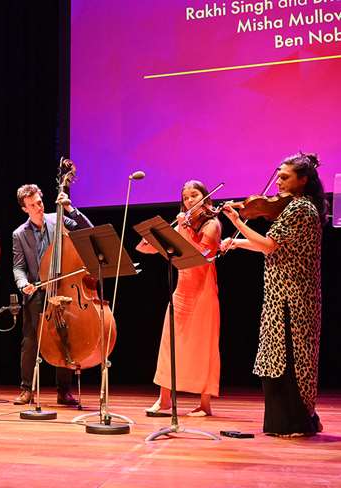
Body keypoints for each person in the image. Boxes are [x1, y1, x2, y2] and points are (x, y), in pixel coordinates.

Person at [220, 153, 325, 437]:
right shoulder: (296, 207)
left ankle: (295, 422)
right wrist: (238, 243)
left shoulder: (300, 208)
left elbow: (268, 245)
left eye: (285, 177)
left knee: (288, 358)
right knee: (276, 356)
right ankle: (286, 423)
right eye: (278, 176)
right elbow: (274, 247)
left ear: (303, 180)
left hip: (292, 296)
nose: (277, 182)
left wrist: (237, 222)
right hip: (283, 295)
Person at [136, 180, 221, 417]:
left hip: (203, 292)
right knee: (169, 344)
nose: (189, 200)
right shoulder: (184, 225)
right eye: (186, 197)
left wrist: (183, 229)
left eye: (194, 195)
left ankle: (205, 404)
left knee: (204, 346)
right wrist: (152, 237)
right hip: (182, 291)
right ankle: (164, 401)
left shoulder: (212, 225)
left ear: (205, 198)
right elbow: (144, 249)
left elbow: (201, 256)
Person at [12, 183, 93, 406]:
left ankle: (63, 391)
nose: (38, 207)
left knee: (65, 336)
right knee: (30, 340)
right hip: (37, 289)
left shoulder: (57, 219)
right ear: (24, 209)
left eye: (39, 202)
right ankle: (26, 389)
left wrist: (70, 209)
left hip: (63, 287)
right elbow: (18, 267)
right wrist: (23, 283)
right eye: (32, 205)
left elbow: (87, 230)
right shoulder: (19, 234)